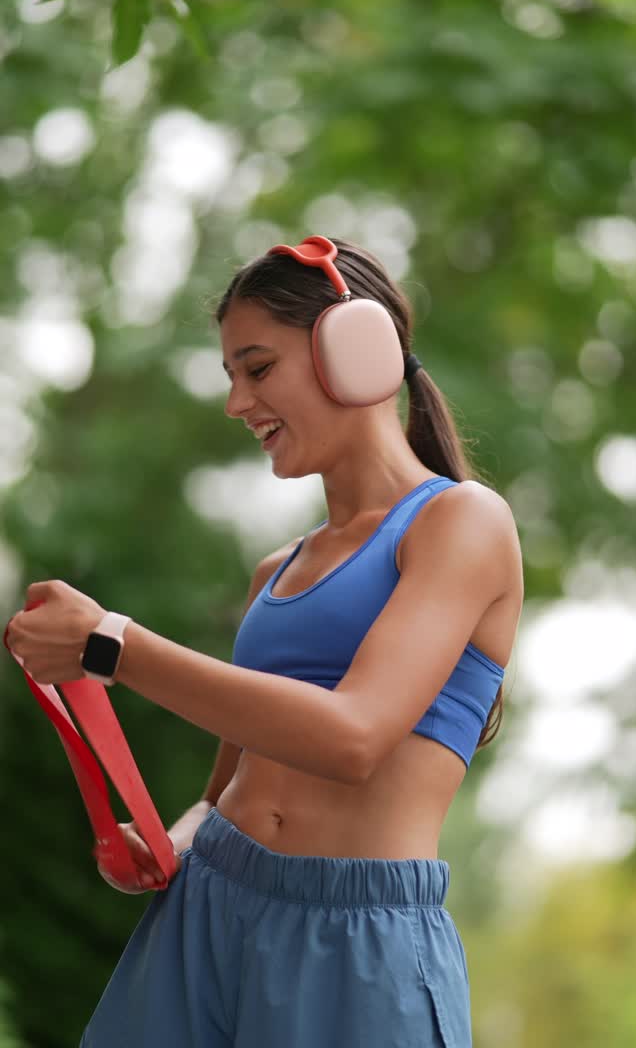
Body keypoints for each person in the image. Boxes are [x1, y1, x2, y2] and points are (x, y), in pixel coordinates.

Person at [9, 235, 523, 1047]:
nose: (236, 402)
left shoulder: (462, 522)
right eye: (231, 376)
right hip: (208, 904)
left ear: (356, 353)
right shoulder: (274, 572)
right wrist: (171, 839)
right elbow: (225, 789)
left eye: (257, 368)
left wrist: (110, 643)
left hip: (356, 948)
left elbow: (353, 736)